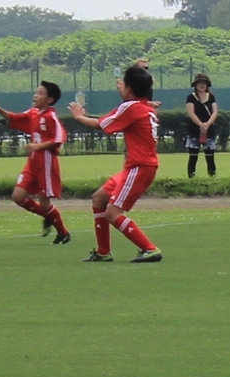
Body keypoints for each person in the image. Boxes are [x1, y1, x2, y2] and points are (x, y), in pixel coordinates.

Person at [69, 64, 162, 263]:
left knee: (113, 212)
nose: (120, 87)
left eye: (124, 85)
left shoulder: (132, 106)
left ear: (129, 88)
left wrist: (78, 116)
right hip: (139, 166)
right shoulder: (145, 107)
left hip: (139, 166)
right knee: (99, 198)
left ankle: (149, 248)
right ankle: (103, 252)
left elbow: (101, 124)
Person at [0, 82, 70, 244]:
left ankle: (63, 232)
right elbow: (14, 118)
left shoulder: (50, 117)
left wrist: (38, 146)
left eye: (40, 93)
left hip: (46, 164)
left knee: (45, 204)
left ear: (49, 99)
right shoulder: (33, 113)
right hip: (32, 163)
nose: (35, 96)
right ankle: (50, 218)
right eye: (36, 92)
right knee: (18, 197)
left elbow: (59, 138)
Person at [185, 73, 218, 178]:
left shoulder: (211, 97)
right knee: (193, 156)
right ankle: (191, 178)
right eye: (199, 83)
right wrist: (200, 124)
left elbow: (215, 112)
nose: (202, 85)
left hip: (209, 130)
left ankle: (212, 177)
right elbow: (191, 113)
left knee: (210, 156)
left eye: (204, 83)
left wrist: (208, 124)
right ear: (195, 85)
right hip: (194, 130)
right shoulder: (190, 97)